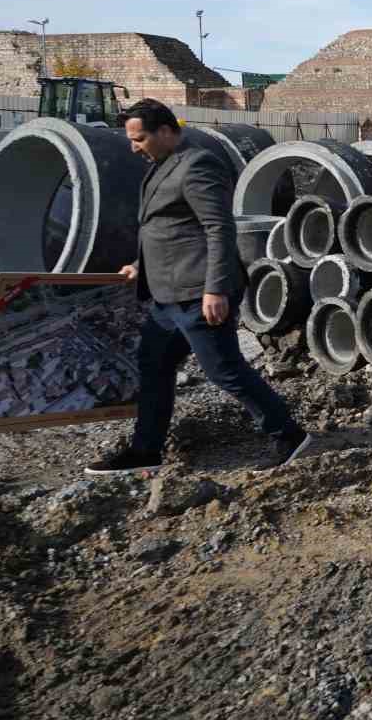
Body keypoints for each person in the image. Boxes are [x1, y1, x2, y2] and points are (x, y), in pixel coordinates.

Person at [86, 99, 311, 475]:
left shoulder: (197, 164)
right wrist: (140, 266)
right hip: (168, 296)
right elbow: (172, 230)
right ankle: (146, 451)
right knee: (154, 365)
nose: (133, 146)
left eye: (139, 138)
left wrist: (216, 289)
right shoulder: (161, 166)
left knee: (224, 370)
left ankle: (288, 435)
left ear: (165, 131)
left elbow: (217, 228)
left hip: (197, 294)